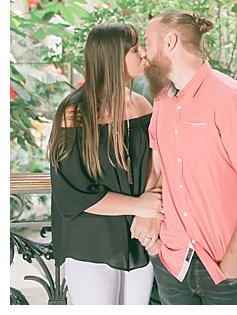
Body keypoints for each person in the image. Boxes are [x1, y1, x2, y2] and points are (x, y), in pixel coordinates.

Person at [136, 10, 237, 305]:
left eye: (148, 43)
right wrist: (150, 227)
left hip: (226, 270)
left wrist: (233, 263)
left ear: (170, 41)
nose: (144, 54)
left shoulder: (232, 99)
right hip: (172, 263)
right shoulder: (161, 102)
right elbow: (159, 171)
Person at [49, 23, 164, 304]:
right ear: (114, 56)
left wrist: (148, 211)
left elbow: (157, 163)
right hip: (91, 241)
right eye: (135, 49)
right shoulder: (75, 113)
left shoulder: (143, 105)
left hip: (137, 235)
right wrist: (140, 206)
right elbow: (72, 193)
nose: (143, 55)